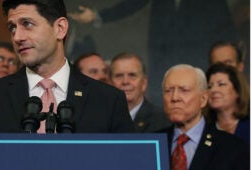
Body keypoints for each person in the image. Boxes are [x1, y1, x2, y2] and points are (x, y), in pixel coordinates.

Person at [0, 0, 134, 133]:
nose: (17, 37)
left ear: (60, 28)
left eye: (27, 24)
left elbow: (127, 168)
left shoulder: (108, 100)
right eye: (12, 28)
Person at [69, 0, 239, 107]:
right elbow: (132, 4)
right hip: (162, 60)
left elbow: (224, 23)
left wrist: (233, 52)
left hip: (197, 60)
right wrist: (98, 16)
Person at [160, 64, 249, 170]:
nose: (175, 97)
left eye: (184, 90)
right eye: (168, 90)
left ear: (203, 99)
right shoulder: (151, 143)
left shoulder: (234, 149)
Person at [110, 52, 170, 132]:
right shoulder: (98, 120)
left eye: (132, 75)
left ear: (144, 83)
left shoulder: (164, 121)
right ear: (110, 83)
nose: (125, 81)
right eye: (119, 76)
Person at [204, 63, 249, 142]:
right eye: (209, 86)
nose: (213, 90)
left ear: (238, 91)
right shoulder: (204, 128)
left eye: (221, 84)